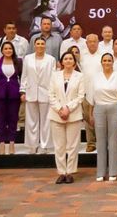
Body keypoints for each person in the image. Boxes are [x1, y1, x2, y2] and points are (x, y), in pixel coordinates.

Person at [48, 51, 86, 184]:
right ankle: (61, 172)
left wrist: (68, 108)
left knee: (72, 145)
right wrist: (59, 109)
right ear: (61, 62)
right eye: (66, 58)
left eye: (71, 58)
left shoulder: (80, 76)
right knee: (59, 146)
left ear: (75, 62)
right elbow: (51, 95)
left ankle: (70, 172)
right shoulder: (54, 76)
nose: (68, 60)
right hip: (56, 114)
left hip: (73, 114)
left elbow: (81, 96)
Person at [89, 53, 117, 182]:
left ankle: (113, 171)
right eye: (104, 60)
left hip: (115, 108)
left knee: (113, 141)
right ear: (101, 63)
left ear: (113, 62)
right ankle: (100, 172)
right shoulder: (95, 77)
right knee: (100, 141)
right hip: (99, 109)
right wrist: (90, 114)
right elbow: (90, 98)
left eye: (109, 60)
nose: (107, 62)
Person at [21, 37, 56, 154]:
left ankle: (44, 145)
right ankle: (32, 145)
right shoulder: (27, 59)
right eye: (38, 44)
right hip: (30, 92)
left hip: (46, 93)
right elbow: (24, 75)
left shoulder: (51, 59)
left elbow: (53, 78)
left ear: (45, 46)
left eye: (42, 44)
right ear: (34, 45)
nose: (40, 45)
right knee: (31, 120)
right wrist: (23, 91)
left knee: (46, 121)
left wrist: (53, 93)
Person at [0, 41, 23, 155]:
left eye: (10, 49)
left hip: (14, 95)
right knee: (1, 120)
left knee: (13, 119)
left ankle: (12, 143)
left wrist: (22, 92)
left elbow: (23, 78)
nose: (8, 50)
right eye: (6, 48)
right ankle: (2, 143)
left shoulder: (18, 62)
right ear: (2, 50)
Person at [79, 34, 103, 153]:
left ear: (98, 42)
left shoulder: (103, 55)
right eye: (90, 42)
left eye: (95, 41)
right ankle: (91, 143)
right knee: (88, 119)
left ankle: (102, 142)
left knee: (101, 119)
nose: (92, 43)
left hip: (101, 92)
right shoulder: (82, 56)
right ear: (86, 43)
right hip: (86, 91)